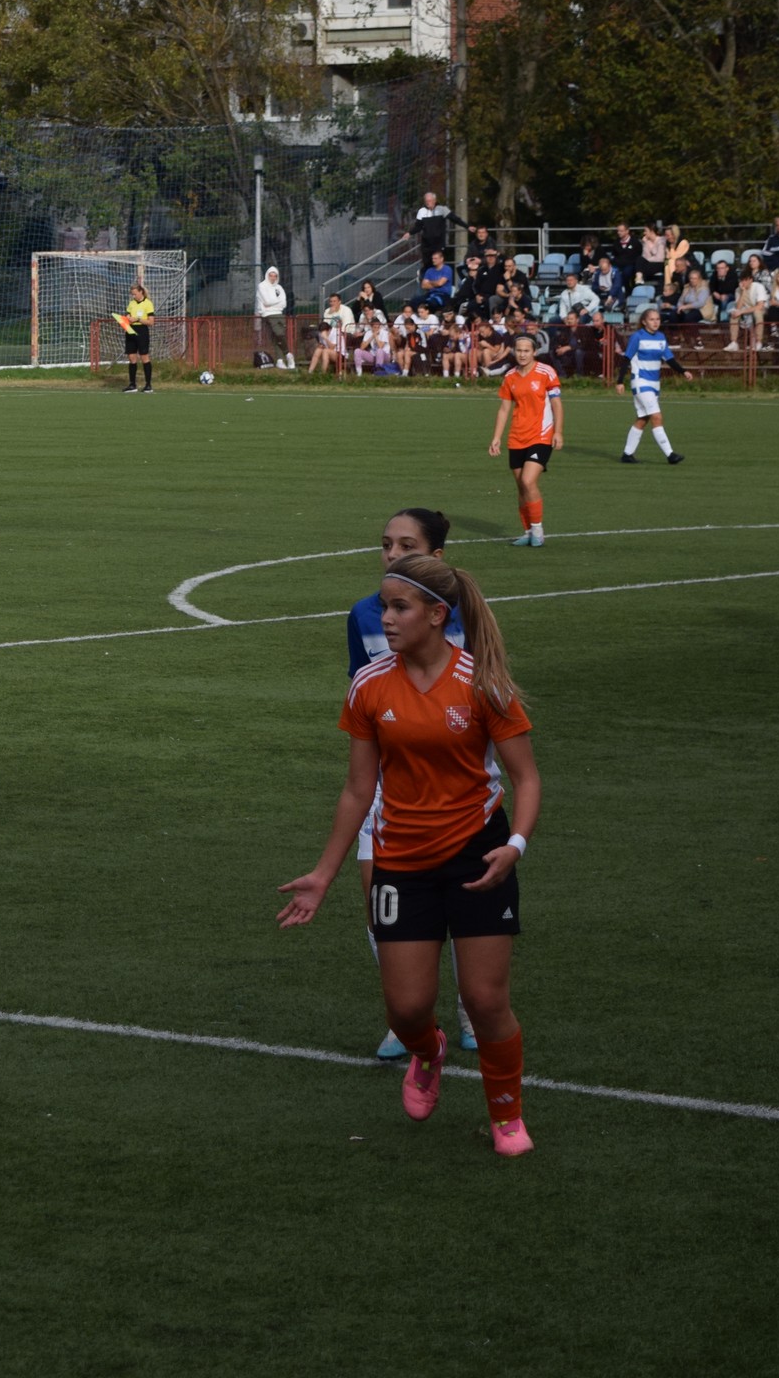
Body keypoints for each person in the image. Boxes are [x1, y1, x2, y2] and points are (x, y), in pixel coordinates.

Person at [278, 553, 541, 1159]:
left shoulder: (483, 681)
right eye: (385, 607)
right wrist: (323, 875)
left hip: (480, 855)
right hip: (400, 859)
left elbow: (526, 779)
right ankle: (429, 1052)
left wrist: (514, 846)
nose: (387, 618)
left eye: (399, 607)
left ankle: (507, 1115)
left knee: (486, 1000)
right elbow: (358, 788)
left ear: (436, 614)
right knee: (406, 1009)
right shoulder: (370, 685)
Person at [345, 510, 473, 1059]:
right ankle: (408, 1020)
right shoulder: (362, 615)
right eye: (386, 545)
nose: (392, 555)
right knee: (380, 902)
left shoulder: (466, 612)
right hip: (387, 783)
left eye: (406, 545)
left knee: (463, 903)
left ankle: (471, 1006)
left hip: (456, 787)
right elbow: (363, 694)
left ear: (436, 557)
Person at [490, 330, 563, 547]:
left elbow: (557, 404)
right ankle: (528, 531)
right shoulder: (510, 376)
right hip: (517, 437)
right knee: (521, 487)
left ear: (534, 352)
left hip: (541, 434)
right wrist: (496, 437)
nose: (522, 354)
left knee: (528, 481)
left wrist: (558, 431)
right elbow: (504, 409)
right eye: (519, 350)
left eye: (526, 351)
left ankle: (538, 530)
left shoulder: (546, 372)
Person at [616, 304, 688, 464]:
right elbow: (626, 359)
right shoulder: (637, 337)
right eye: (652, 319)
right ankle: (670, 455)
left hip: (655, 384)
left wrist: (683, 371)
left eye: (658, 319)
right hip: (641, 381)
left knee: (643, 419)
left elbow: (669, 358)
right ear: (644, 322)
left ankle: (627, 454)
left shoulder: (661, 337)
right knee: (656, 417)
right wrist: (620, 381)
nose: (655, 322)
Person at [118, 277, 156, 392]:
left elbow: (151, 322)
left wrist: (138, 319)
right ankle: (132, 384)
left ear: (141, 292)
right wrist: (127, 319)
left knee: (144, 356)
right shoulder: (131, 303)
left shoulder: (148, 303)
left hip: (142, 331)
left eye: (135, 294)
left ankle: (148, 385)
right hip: (130, 330)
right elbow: (127, 315)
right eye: (132, 295)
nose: (134, 296)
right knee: (131, 357)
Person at [412, 192, 449, 269]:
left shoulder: (441, 210)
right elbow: (418, 226)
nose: (428, 203)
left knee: (437, 264)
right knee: (428, 264)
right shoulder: (422, 211)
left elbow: (453, 218)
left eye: (430, 201)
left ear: (434, 201)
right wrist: (409, 233)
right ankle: (424, 273)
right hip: (427, 245)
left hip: (438, 243)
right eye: (426, 201)